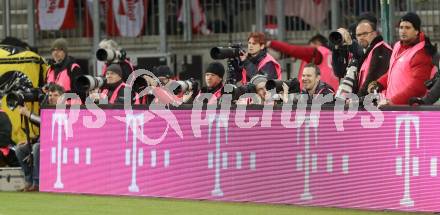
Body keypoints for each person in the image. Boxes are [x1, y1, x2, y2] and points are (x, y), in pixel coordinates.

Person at [369, 12, 437, 105]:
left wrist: (393, 101)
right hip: (391, 105)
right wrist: (379, 83)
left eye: (408, 28)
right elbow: (394, 72)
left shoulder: (421, 52)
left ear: (417, 31)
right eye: (401, 27)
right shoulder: (397, 45)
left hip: (407, 109)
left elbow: (418, 87)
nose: (403, 31)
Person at [14, 84, 65, 192]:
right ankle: (29, 181)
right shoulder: (47, 108)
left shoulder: (66, 109)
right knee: (20, 149)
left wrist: (28, 113)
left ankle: (37, 183)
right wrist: (30, 140)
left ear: (63, 97)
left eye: (55, 95)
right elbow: (44, 129)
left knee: (37, 147)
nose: (51, 97)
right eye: (50, 95)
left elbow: (46, 123)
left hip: (60, 144)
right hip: (44, 142)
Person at [333, 13, 392, 97]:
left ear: (375, 33)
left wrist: (357, 100)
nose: (361, 37)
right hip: (365, 103)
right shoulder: (367, 53)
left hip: (376, 103)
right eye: (358, 35)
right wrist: (336, 49)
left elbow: (373, 79)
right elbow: (339, 72)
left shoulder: (381, 49)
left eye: (365, 34)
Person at [268, 34, 339, 91]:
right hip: (331, 95)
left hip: (316, 97)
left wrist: (270, 43)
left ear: (317, 43)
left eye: (309, 47)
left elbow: (291, 50)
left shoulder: (316, 53)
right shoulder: (330, 54)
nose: (307, 50)